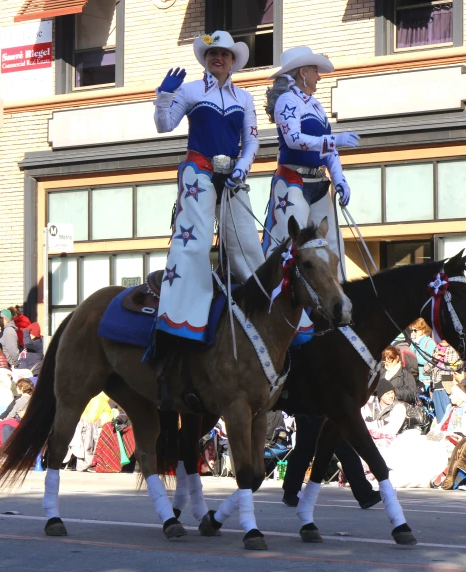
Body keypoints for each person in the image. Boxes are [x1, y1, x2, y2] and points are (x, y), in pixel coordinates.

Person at [152, 31, 263, 347]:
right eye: (213, 52)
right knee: (195, 243)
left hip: (233, 176)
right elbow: (164, 125)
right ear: (205, 58)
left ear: (232, 61)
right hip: (198, 170)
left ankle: (265, 306)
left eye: (225, 54)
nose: (218, 57)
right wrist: (163, 97)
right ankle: (181, 318)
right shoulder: (189, 90)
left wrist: (242, 167)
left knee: (246, 244)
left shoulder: (245, 97)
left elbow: (252, 139)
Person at [261, 46, 358, 268]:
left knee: (331, 243)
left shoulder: (316, 106)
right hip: (294, 182)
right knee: (286, 241)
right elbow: (294, 139)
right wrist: (335, 140)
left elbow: (327, 149)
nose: (319, 77)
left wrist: (339, 178)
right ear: (302, 73)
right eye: (315, 70)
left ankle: (337, 293)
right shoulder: (287, 101)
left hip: (319, 184)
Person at [281, 414, 381, 510]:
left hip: (318, 409)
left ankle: (291, 492)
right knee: (343, 450)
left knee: (306, 448)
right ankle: (364, 494)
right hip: (318, 408)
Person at [424, 340, 462, 422]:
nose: (443, 340)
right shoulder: (436, 349)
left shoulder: (454, 349)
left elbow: (458, 368)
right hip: (435, 389)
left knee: (449, 419)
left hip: (448, 389)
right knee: (440, 420)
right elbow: (425, 371)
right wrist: (434, 360)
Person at [409, 318, 437, 390]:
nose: (413, 333)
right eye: (411, 330)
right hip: (415, 378)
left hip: (426, 378)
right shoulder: (414, 342)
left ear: (423, 330)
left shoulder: (429, 342)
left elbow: (430, 360)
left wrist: (413, 360)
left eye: (415, 330)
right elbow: (409, 355)